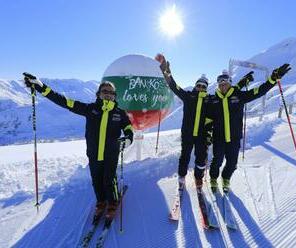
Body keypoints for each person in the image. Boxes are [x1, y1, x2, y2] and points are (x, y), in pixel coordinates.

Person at [23, 73, 133, 222]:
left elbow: (128, 129)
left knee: (109, 179)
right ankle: (101, 202)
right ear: (98, 94)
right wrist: (42, 88)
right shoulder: (90, 109)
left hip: (111, 153)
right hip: (94, 153)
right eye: (105, 91)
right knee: (96, 180)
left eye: (111, 92)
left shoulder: (120, 113)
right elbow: (65, 102)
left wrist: (127, 140)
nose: (108, 95)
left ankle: (112, 202)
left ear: (115, 96)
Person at [208, 64, 291, 193]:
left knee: (232, 163)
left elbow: (259, 91)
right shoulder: (212, 100)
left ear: (230, 83)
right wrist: (207, 134)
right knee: (216, 161)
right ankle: (213, 179)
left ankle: (225, 179)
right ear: (218, 85)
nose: (223, 86)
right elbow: (207, 119)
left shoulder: (239, 95)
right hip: (219, 138)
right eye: (220, 84)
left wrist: (272, 79)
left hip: (234, 138)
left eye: (225, 83)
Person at [155, 54, 211, 190]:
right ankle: (181, 177)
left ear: (206, 88)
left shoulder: (210, 100)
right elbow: (174, 86)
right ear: (196, 86)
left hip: (202, 136)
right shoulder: (188, 96)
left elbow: (213, 117)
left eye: (203, 86)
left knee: (200, 158)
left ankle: (198, 178)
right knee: (184, 156)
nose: (200, 87)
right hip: (187, 133)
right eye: (199, 85)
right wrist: (166, 72)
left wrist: (209, 134)